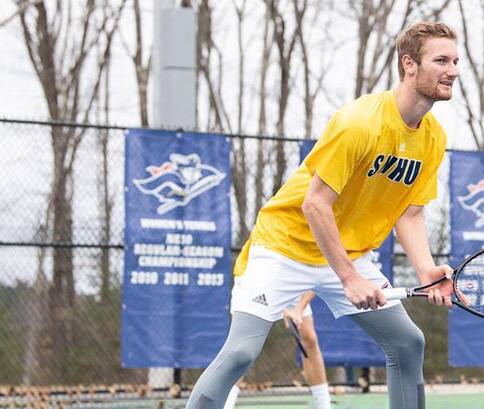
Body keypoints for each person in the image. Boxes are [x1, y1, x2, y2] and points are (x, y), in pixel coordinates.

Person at [186, 20, 459, 409]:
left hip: (345, 253)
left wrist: (426, 271)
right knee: (240, 354)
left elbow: (410, 215)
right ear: (409, 64)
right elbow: (315, 204)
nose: (452, 70)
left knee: (407, 343)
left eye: (455, 61)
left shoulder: (434, 138)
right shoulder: (360, 122)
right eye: (441, 60)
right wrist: (348, 278)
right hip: (284, 245)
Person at [222, 291, 332, 409]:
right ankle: (226, 404)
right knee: (241, 345)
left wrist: (300, 308)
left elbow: (314, 278)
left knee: (309, 339)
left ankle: (323, 405)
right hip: (252, 283)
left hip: (290, 284)